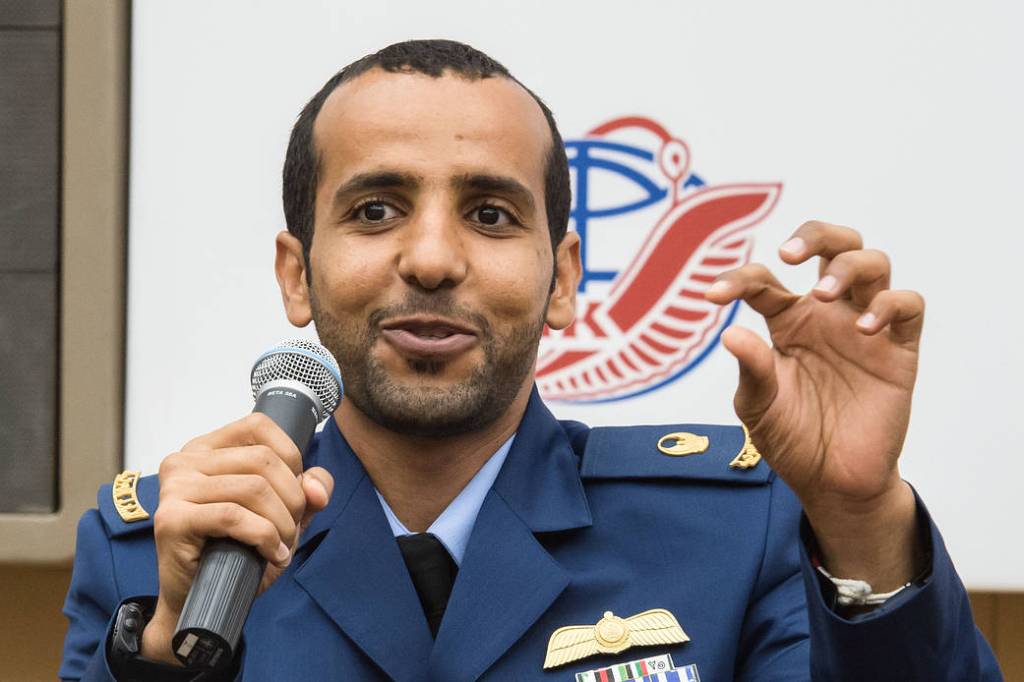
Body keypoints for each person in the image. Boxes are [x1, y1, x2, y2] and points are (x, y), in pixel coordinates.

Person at [60, 39, 1002, 681]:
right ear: (296, 274)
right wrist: (162, 653)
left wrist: (859, 515)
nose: (431, 258)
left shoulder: (740, 531)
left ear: (563, 283)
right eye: (375, 210)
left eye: (491, 214)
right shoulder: (157, 553)